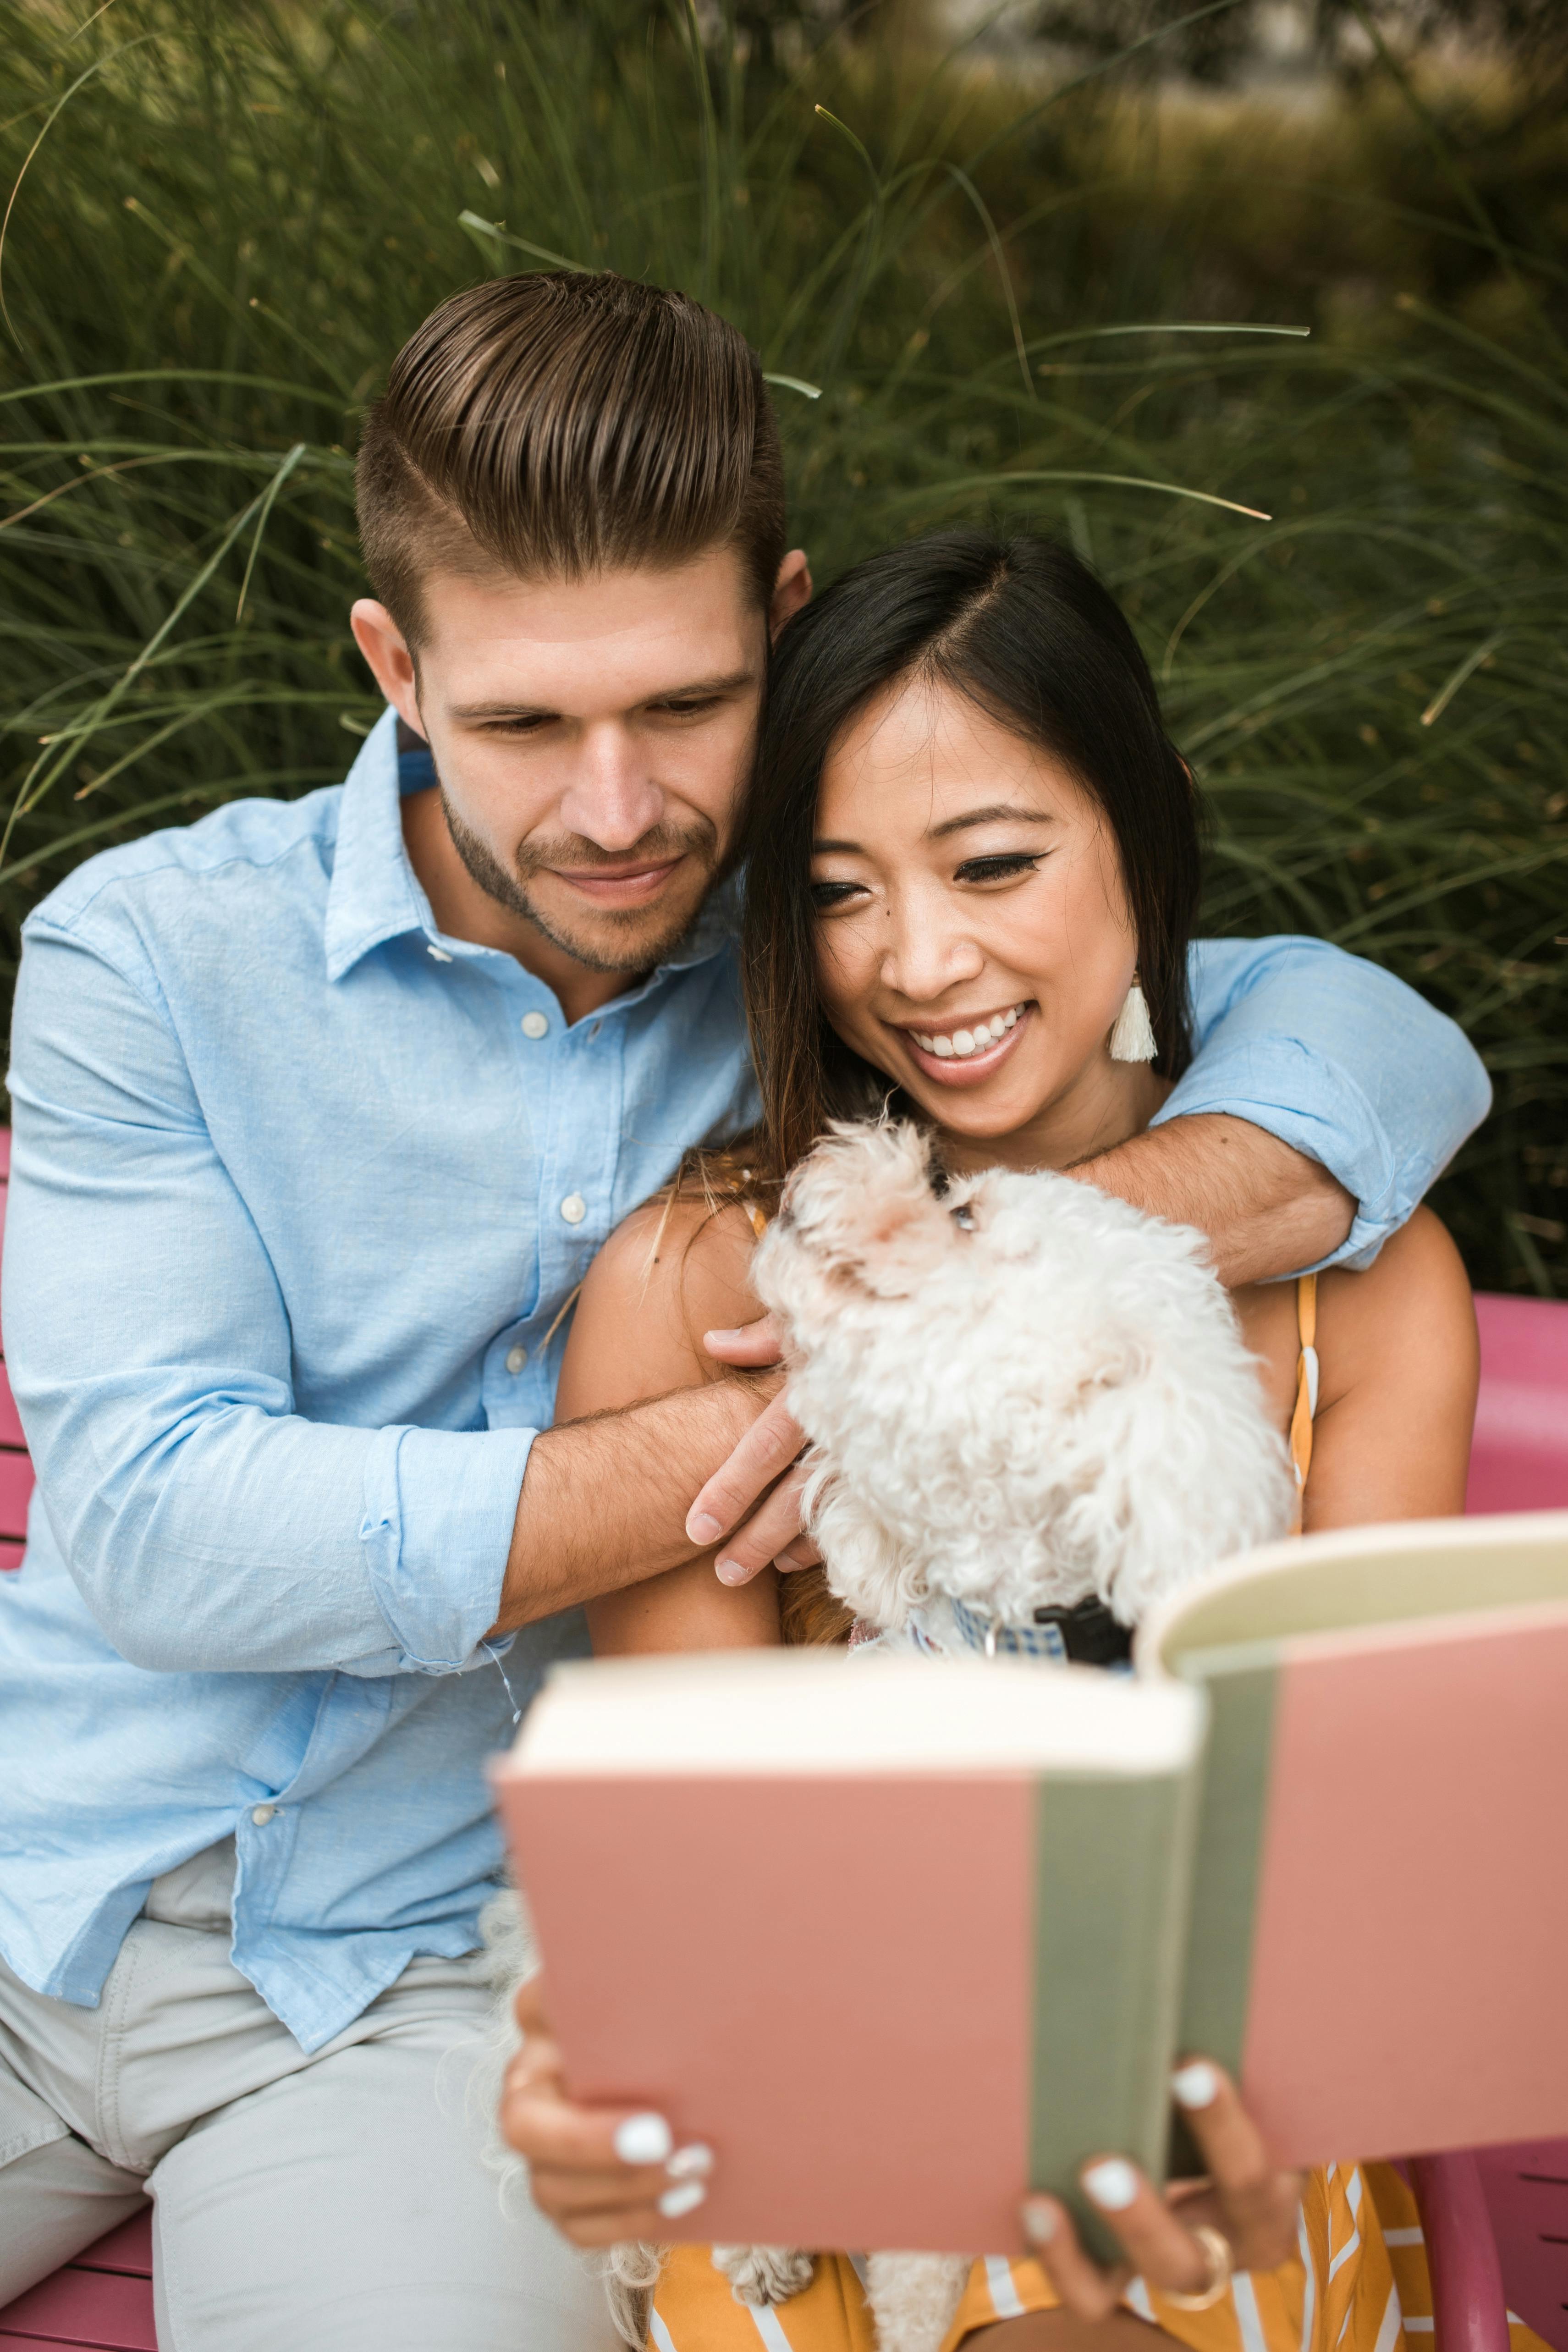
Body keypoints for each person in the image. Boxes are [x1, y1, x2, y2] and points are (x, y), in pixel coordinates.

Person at [0, 270, 1486, 2352]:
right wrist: (831, 1393)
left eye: (684, 709)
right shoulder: (154, 958)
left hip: (426, 1991)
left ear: (781, 625)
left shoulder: (840, 953)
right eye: (523, 722)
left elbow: (1367, 1040)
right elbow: (161, 1523)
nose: (618, 813)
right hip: (38, 1875)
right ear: (393, 667)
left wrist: (1015, 1259)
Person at [500, 530, 1485, 2352]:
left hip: (1216, 2093)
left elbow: (1345, 1843)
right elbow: (704, 1878)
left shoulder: (1366, 1281)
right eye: (839, 888)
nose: (917, 958)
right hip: (818, 2094)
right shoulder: (706, 1272)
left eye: (993, 862)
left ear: (1147, 827)